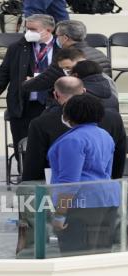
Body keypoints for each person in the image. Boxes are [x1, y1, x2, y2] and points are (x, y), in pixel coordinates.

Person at [49, 94, 120, 256]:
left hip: (81, 205)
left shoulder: (72, 140)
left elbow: (70, 182)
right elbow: (107, 171)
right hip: (108, 200)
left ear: (69, 114)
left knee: (75, 255)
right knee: (99, 255)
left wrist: (60, 214)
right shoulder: (105, 135)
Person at [0, 14, 59, 159]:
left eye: (33, 29)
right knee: (23, 150)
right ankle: (25, 177)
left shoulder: (61, 48)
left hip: (51, 104)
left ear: (49, 30)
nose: (28, 32)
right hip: (22, 105)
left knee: (50, 148)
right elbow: (3, 74)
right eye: (26, 28)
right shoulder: (17, 47)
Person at [23, 76, 125, 182]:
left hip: (77, 195)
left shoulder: (71, 140)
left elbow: (68, 183)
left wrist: (29, 194)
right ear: (84, 91)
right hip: (104, 191)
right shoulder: (106, 134)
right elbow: (113, 167)